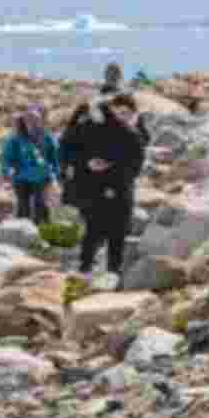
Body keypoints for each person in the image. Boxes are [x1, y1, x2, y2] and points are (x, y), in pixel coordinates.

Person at [59, 92, 146, 282]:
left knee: (118, 231)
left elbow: (136, 163)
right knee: (93, 228)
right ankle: (85, 270)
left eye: (128, 113)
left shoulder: (133, 133)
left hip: (121, 188)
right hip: (94, 187)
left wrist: (113, 169)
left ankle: (112, 273)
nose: (124, 116)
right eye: (120, 112)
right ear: (113, 109)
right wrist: (87, 163)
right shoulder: (92, 126)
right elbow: (69, 149)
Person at [0, 106, 60, 224]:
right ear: (24, 122)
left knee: (41, 206)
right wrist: (6, 172)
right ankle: (22, 231)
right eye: (29, 120)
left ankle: (42, 230)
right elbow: (6, 157)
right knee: (23, 206)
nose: (32, 123)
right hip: (21, 178)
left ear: (41, 121)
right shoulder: (16, 138)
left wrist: (56, 176)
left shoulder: (47, 137)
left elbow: (55, 157)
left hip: (42, 177)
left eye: (36, 120)